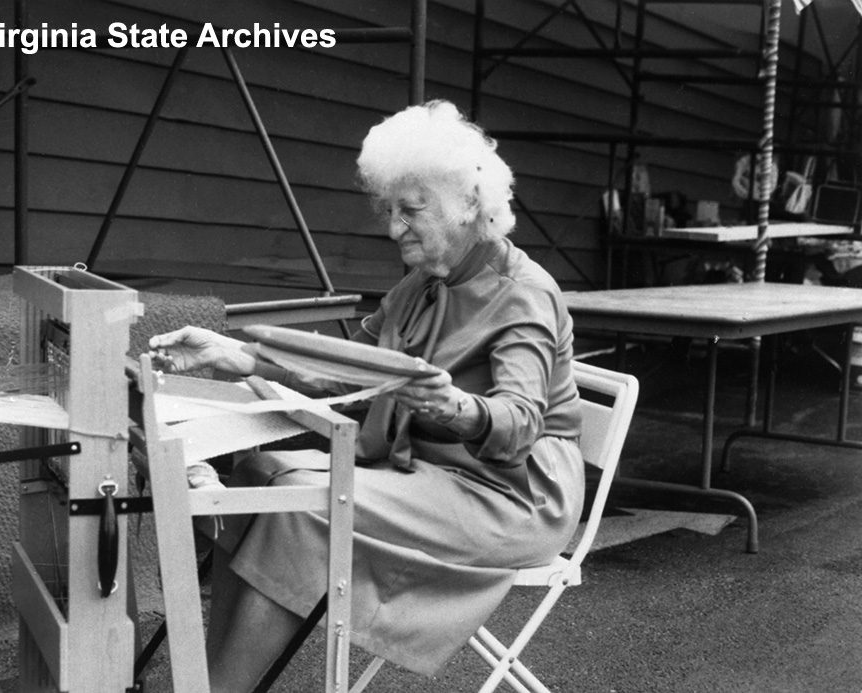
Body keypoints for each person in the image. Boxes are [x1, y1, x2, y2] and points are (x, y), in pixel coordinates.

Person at [148, 99, 584, 692]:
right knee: (255, 475)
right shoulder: (423, 283)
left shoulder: (522, 294)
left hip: (509, 494)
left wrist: (453, 407)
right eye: (389, 209)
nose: (393, 228)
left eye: (411, 210)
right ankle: (207, 682)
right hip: (436, 472)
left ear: (468, 205)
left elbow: (520, 423)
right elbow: (344, 373)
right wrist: (236, 356)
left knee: (302, 504)